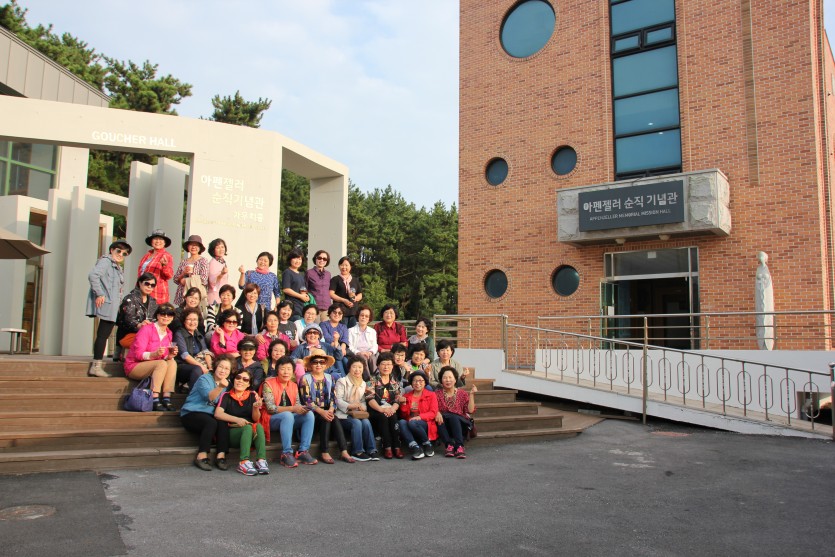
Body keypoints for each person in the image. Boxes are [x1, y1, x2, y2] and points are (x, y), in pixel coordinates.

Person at [259, 356, 317, 468]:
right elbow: (271, 408)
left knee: (309, 415)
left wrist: (303, 409)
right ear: (277, 370)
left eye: (289, 369)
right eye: (283, 369)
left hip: (288, 419)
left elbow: (297, 404)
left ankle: (303, 451)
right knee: (287, 415)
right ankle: (286, 453)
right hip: (270, 419)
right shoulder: (268, 384)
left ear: (293, 371)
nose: (286, 372)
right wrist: (292, 409)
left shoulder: (294, 385)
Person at [298, 349, 354, 464]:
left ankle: (344, 451)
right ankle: (324, 451)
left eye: (322, 362)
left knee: (333, 418)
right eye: (315, 362)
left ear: (325, 364)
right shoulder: (305, 378)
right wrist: (322, 412)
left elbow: (334, 397)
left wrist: (331, 410)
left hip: (327, 410)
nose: (318, 364)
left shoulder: (330, 377)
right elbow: (307, 400)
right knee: (326, 419)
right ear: (310, 364)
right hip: (312, 413)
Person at [86, 239, 131, 377]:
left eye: (124, 253)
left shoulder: (116, 266)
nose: (121, 254)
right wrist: (100, 293)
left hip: (113, 304)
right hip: (108, 303)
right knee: (103, 334)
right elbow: (93, 276)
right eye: (118, 251)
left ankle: (97, 364)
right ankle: (96, 366)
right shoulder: (106, 261)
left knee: (104, 334)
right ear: (112, 250)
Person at [180, 355, 233, 471]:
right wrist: (220, 387)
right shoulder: (204, 379)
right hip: (191, 413)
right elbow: (209, 397)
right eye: (221, 367)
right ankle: (201, 455)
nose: (223, 371)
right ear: (215, 367)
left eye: (227, 368)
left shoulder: (227, 385)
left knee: (222, 422)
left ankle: (221, 456)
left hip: (209, 415)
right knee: (211, 422)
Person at [124, 303, 179, 412]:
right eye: (163, 314)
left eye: (169, 315)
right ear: (157, 315)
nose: (166, 317)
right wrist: (154, 354)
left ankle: (166, 397)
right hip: (135, 365)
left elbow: (162, 356)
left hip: (155, 365)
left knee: (172, 362)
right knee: (161, 363)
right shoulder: (147, 329)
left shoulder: (169, 333)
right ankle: (154, 397)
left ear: (172, 318)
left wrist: (169, 356)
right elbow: (138, 354)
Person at [214, 369, 269, 476]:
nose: (240, 381)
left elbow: (256, 418)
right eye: (238, 378)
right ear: (234, 380)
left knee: (258, 426)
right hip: (232, 432)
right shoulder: (226, 395)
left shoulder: (252, 395)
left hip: (249, 432)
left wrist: (255, 408)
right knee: (248, 428)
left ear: (249, 384)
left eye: (245, 379)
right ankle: (243, 462)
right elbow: (218, 414)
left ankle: (261, 460)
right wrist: (237, 419)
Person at [334, 356, 379, 461]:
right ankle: (357, 452)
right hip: (343, 414)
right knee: (357, 423)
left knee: (366, 422)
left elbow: (362, 400)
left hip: (356, 413)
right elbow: (337, 400)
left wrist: (362, 407)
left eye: (360, 367)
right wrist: (350, 406)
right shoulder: (342, 381)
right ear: (349, 368)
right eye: (354, 367)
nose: (357, 370)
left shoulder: (363, 383)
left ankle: (371, 450)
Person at [435, 366, 477, 459]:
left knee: (453, 417)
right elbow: (433, 408)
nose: (448, 380)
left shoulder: (462, 393)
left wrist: (471, 395)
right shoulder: (437, 394)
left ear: (455, 380)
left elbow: (470, 410)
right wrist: (437, 412)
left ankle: (459, 447)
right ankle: (449, 446)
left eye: (450, 377)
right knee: (439, 419)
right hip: (445, 425)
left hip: (461, 425)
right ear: (441, 381)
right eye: (445, 378)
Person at [367, 352, 403, 459]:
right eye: (383, 364)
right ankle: (387, 447)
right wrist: (381, 410)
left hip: (390, 410)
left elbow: (397, 398)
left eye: (389, 364)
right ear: (378, 365)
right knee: (383, 416)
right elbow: (370, 399)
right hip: (376, 410)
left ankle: (397, 446)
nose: (386, 367)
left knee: (393, 416)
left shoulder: (394, 380)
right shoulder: (372, 380)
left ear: (392, 366)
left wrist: (392, 409)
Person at [396, 370, 438, 460]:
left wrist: (419, 417)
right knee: (401, 422)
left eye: (420, 381)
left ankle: (427, 444)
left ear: (425, 382)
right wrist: (403, 404)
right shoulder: (406, 396)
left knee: (413, 422)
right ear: (411, 383)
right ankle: (415, 447)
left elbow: (433, 413)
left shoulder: (431, 395)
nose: (417, 383)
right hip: (410, 423)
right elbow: (404, 415)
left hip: (425, 423)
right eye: (415, 381)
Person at [115, 273, 159, 353]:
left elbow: (155, 319)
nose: (149, 287)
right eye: (147, 284)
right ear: (140, 283)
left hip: (147, 335)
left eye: (152, 285)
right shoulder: (129, 298)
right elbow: (128, 319)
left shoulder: (153, 301)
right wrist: (139, 325)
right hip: (129, 334)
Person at [173, 307, 214, 391]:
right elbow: (185, 356)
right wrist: (202, 367)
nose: (192, 322)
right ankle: (194, 395)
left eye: (195, 319)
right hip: (182, 366)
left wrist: (210, 367)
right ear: (184, 321)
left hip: (197, 364)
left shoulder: (198, 334)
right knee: (197, 369)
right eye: (189, 319)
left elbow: (205, 352)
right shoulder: (179, 334)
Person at [136, 229, 175, 304]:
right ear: (151, 241)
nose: (158, 241)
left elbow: (169, 275)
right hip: (142, 291)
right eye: (155, 239)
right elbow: (140, 274)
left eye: (160, 239)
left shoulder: (166, 255)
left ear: (164, 243)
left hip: (157, 292)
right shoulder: (147, 255)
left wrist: (164, 266)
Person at [172, 235, 209, 307]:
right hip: (182, 295)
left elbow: (204, 280)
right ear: (188, 247)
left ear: (200, 248)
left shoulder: (203, 261)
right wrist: (183, 273)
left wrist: (188, 278)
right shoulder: (184, 262)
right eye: (191, 245)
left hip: (195, 295)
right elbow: (175, 279)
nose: (193, 247)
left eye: (196, 245)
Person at [329, 256, 363, 328]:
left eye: (346, 265)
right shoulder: (335, 279)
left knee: (353, 332)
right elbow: (331, 294)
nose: (344, 267)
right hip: (340, 312)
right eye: (342, 265)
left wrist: (355, 298)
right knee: (341, 332)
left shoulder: (355, 280)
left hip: (353, 312)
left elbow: (360, 294)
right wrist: (344, 300)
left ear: (350, 267)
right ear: (339, 266)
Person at [347, 305, 377, 375]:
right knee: (363, 358)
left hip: (369, 353)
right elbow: (350, 346)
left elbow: (375, 346)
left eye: (366, 316)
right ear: (358, 316)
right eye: (362, 315)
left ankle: (376, 376)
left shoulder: (372, 331)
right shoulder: (350, 331)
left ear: (369, 319)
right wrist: (359, 352)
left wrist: (370, 352)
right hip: (356, 355)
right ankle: (367, 379)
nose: (364, 317)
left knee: (372, 358)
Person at [282, 248, 310, 319]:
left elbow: (302, 288)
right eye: (295, 258)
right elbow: (286, 289)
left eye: (300, 259)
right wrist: (300, 296)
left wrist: (306, 296)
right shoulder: (287, 272)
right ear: (290, 259)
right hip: (293, 308)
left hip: (302, 307)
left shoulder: (301, 274)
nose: (298, 261)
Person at [306, 250, 332, 322]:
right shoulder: (309, 273)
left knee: (325, 328)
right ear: (315, 259)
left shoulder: (328, 274)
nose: (322, 260)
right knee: (314, 327)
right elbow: (305, 289)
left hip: (326, 308)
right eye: (319, 258)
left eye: (324, 259)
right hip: (314, 307)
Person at [206, 238, 229, 306]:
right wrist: (222, 274)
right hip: (215, 296)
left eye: (222, 247)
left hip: (222, 295)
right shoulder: (213, 262)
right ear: (213, 250)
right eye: (218, 247)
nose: (221, 249)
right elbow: (212, 282)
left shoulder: (222, 261)